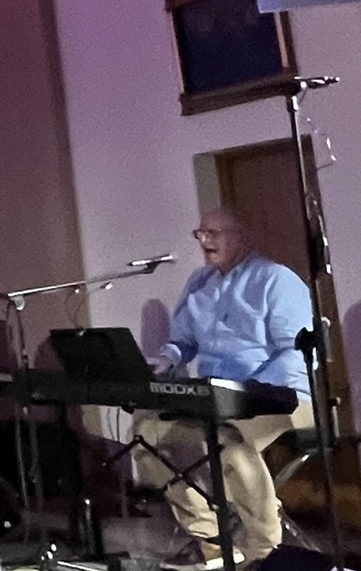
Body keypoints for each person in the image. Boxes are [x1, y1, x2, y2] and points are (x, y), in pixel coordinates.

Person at [139, 207, 312, 571]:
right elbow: (182, 340)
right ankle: (212, 541)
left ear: (242, 237)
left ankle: (265, 551)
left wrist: (249, 390)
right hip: (214, 398)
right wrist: (165, 359)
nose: (205, 241)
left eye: (215, 233)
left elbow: (294, 351)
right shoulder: (200, 282)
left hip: (280, 397)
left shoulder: (274, 279)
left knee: (230, 443)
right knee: (148, 436)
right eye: (200, 234)